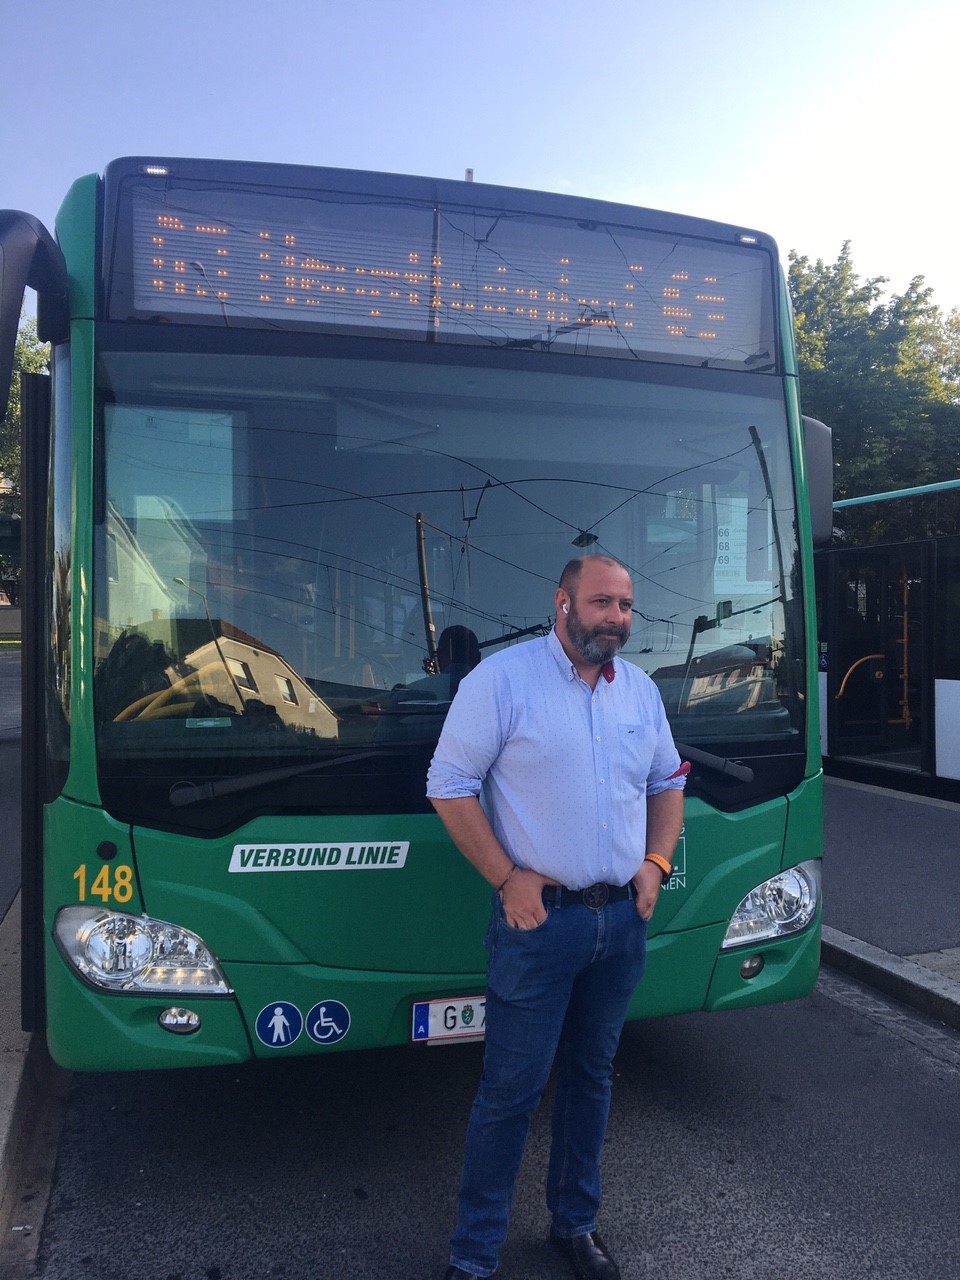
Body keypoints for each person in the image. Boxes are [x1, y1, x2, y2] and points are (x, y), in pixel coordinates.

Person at [426, 555, 686, 1280]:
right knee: (509, 1094)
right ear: (562, 604)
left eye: (627, 605)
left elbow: (668, 782)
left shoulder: (637, 690)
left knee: (591, 1081)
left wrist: (656, 865)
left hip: (619, 925)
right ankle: (473, 1257)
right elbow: (447, 786)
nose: (617, 618)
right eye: (602, 602)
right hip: (539, 930)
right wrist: (508, 877)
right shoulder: (502, 683)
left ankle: (575, 1227)